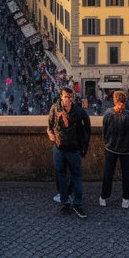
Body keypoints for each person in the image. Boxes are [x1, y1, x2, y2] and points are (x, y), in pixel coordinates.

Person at [47, 86, 90, 218]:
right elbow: (49, 125)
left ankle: (77, 203)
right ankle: (65, 200)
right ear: (61, 96)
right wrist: (50, 134)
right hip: (59, 148)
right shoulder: (55, 108)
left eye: (70, 97)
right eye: (66, 97)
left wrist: (84, 146)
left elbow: (87, 129)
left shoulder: (79, 111)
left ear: (73, 97)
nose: (68, 100)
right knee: (61, 174)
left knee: (76, 176)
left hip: (73, 149)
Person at [100, 90, 129, 208]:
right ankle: (125, 199)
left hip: (111, 148)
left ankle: (103, 197)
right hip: (126, 150)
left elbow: (104, 130)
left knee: (108, 173)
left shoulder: (108, 113)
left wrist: (106, 142)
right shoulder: (128, 116)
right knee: (126, 174)